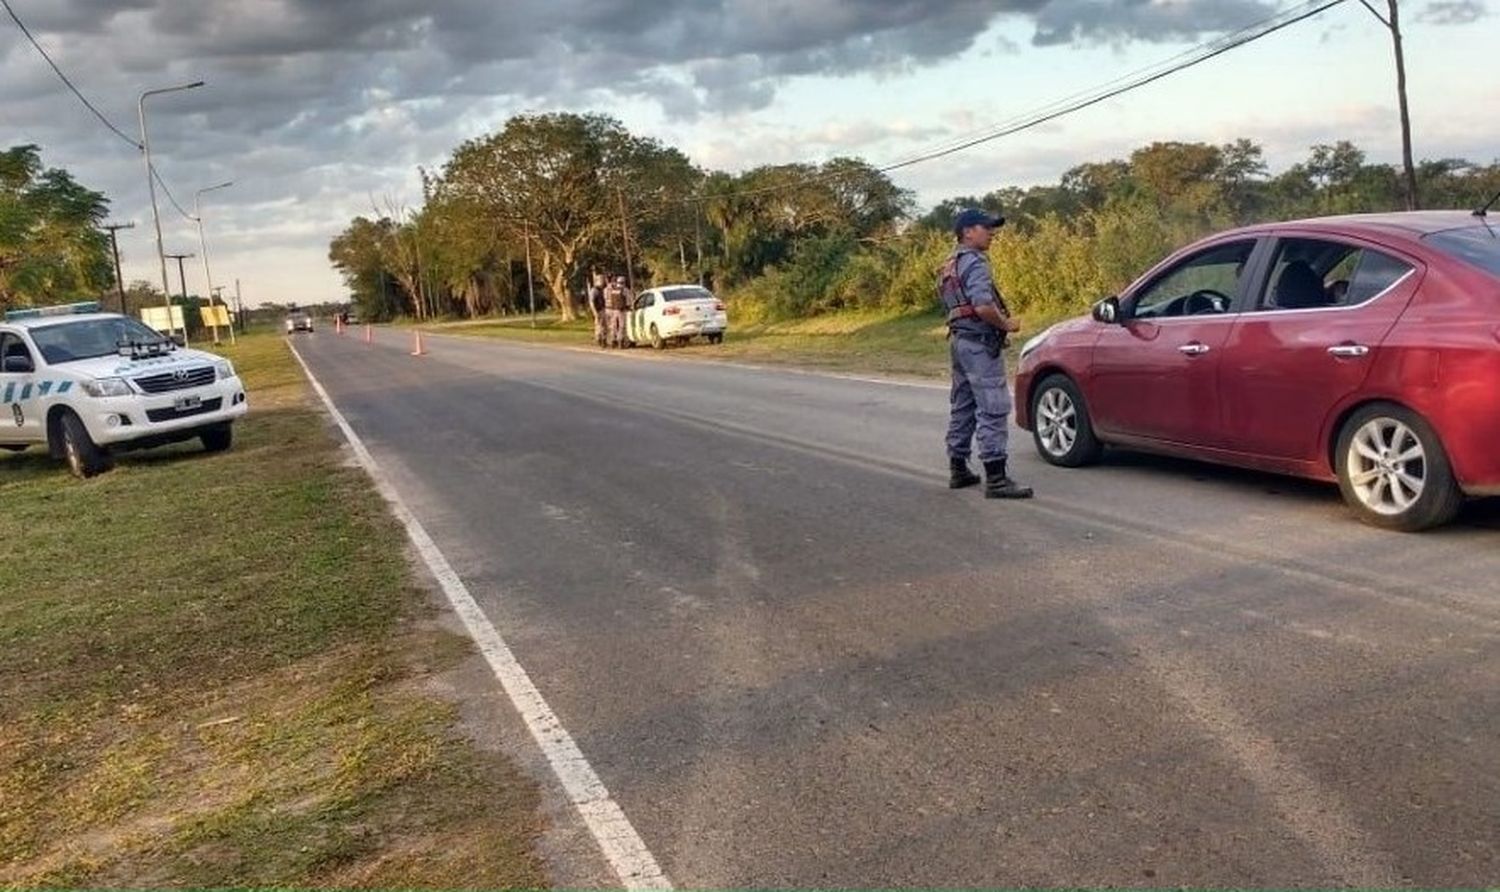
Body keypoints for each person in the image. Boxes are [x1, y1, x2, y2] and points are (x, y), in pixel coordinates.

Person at [940, 208, 1033, 500]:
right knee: (993, 406)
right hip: (979, 344)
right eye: (986, 227)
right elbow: (982, 305)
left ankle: (959, 469)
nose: (992, 232)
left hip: (959, 341)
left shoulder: (949, 264)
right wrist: (1006, 324)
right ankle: (996, 479)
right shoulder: (976, 262)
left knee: (963, 405)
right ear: (968, 231)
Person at [603, 274, 632, 348]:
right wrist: (629, 307)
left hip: (613, 310)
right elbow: (628, 301)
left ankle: (613, 341)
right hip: (622, 311)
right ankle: (620, 342)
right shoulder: (625, 290)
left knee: (614, 326)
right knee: (622, 326)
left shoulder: (613, 290)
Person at [588, 274, 607, 347]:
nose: (603, 281)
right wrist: (595, 312)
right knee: (599, 326)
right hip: (598, 310)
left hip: (603, 309)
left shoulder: (602, 290)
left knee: (604, 326)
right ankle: (599, 340)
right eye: (602, 280)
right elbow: (592, 302)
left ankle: (604, 339)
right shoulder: (594, 290)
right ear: (597, 281)